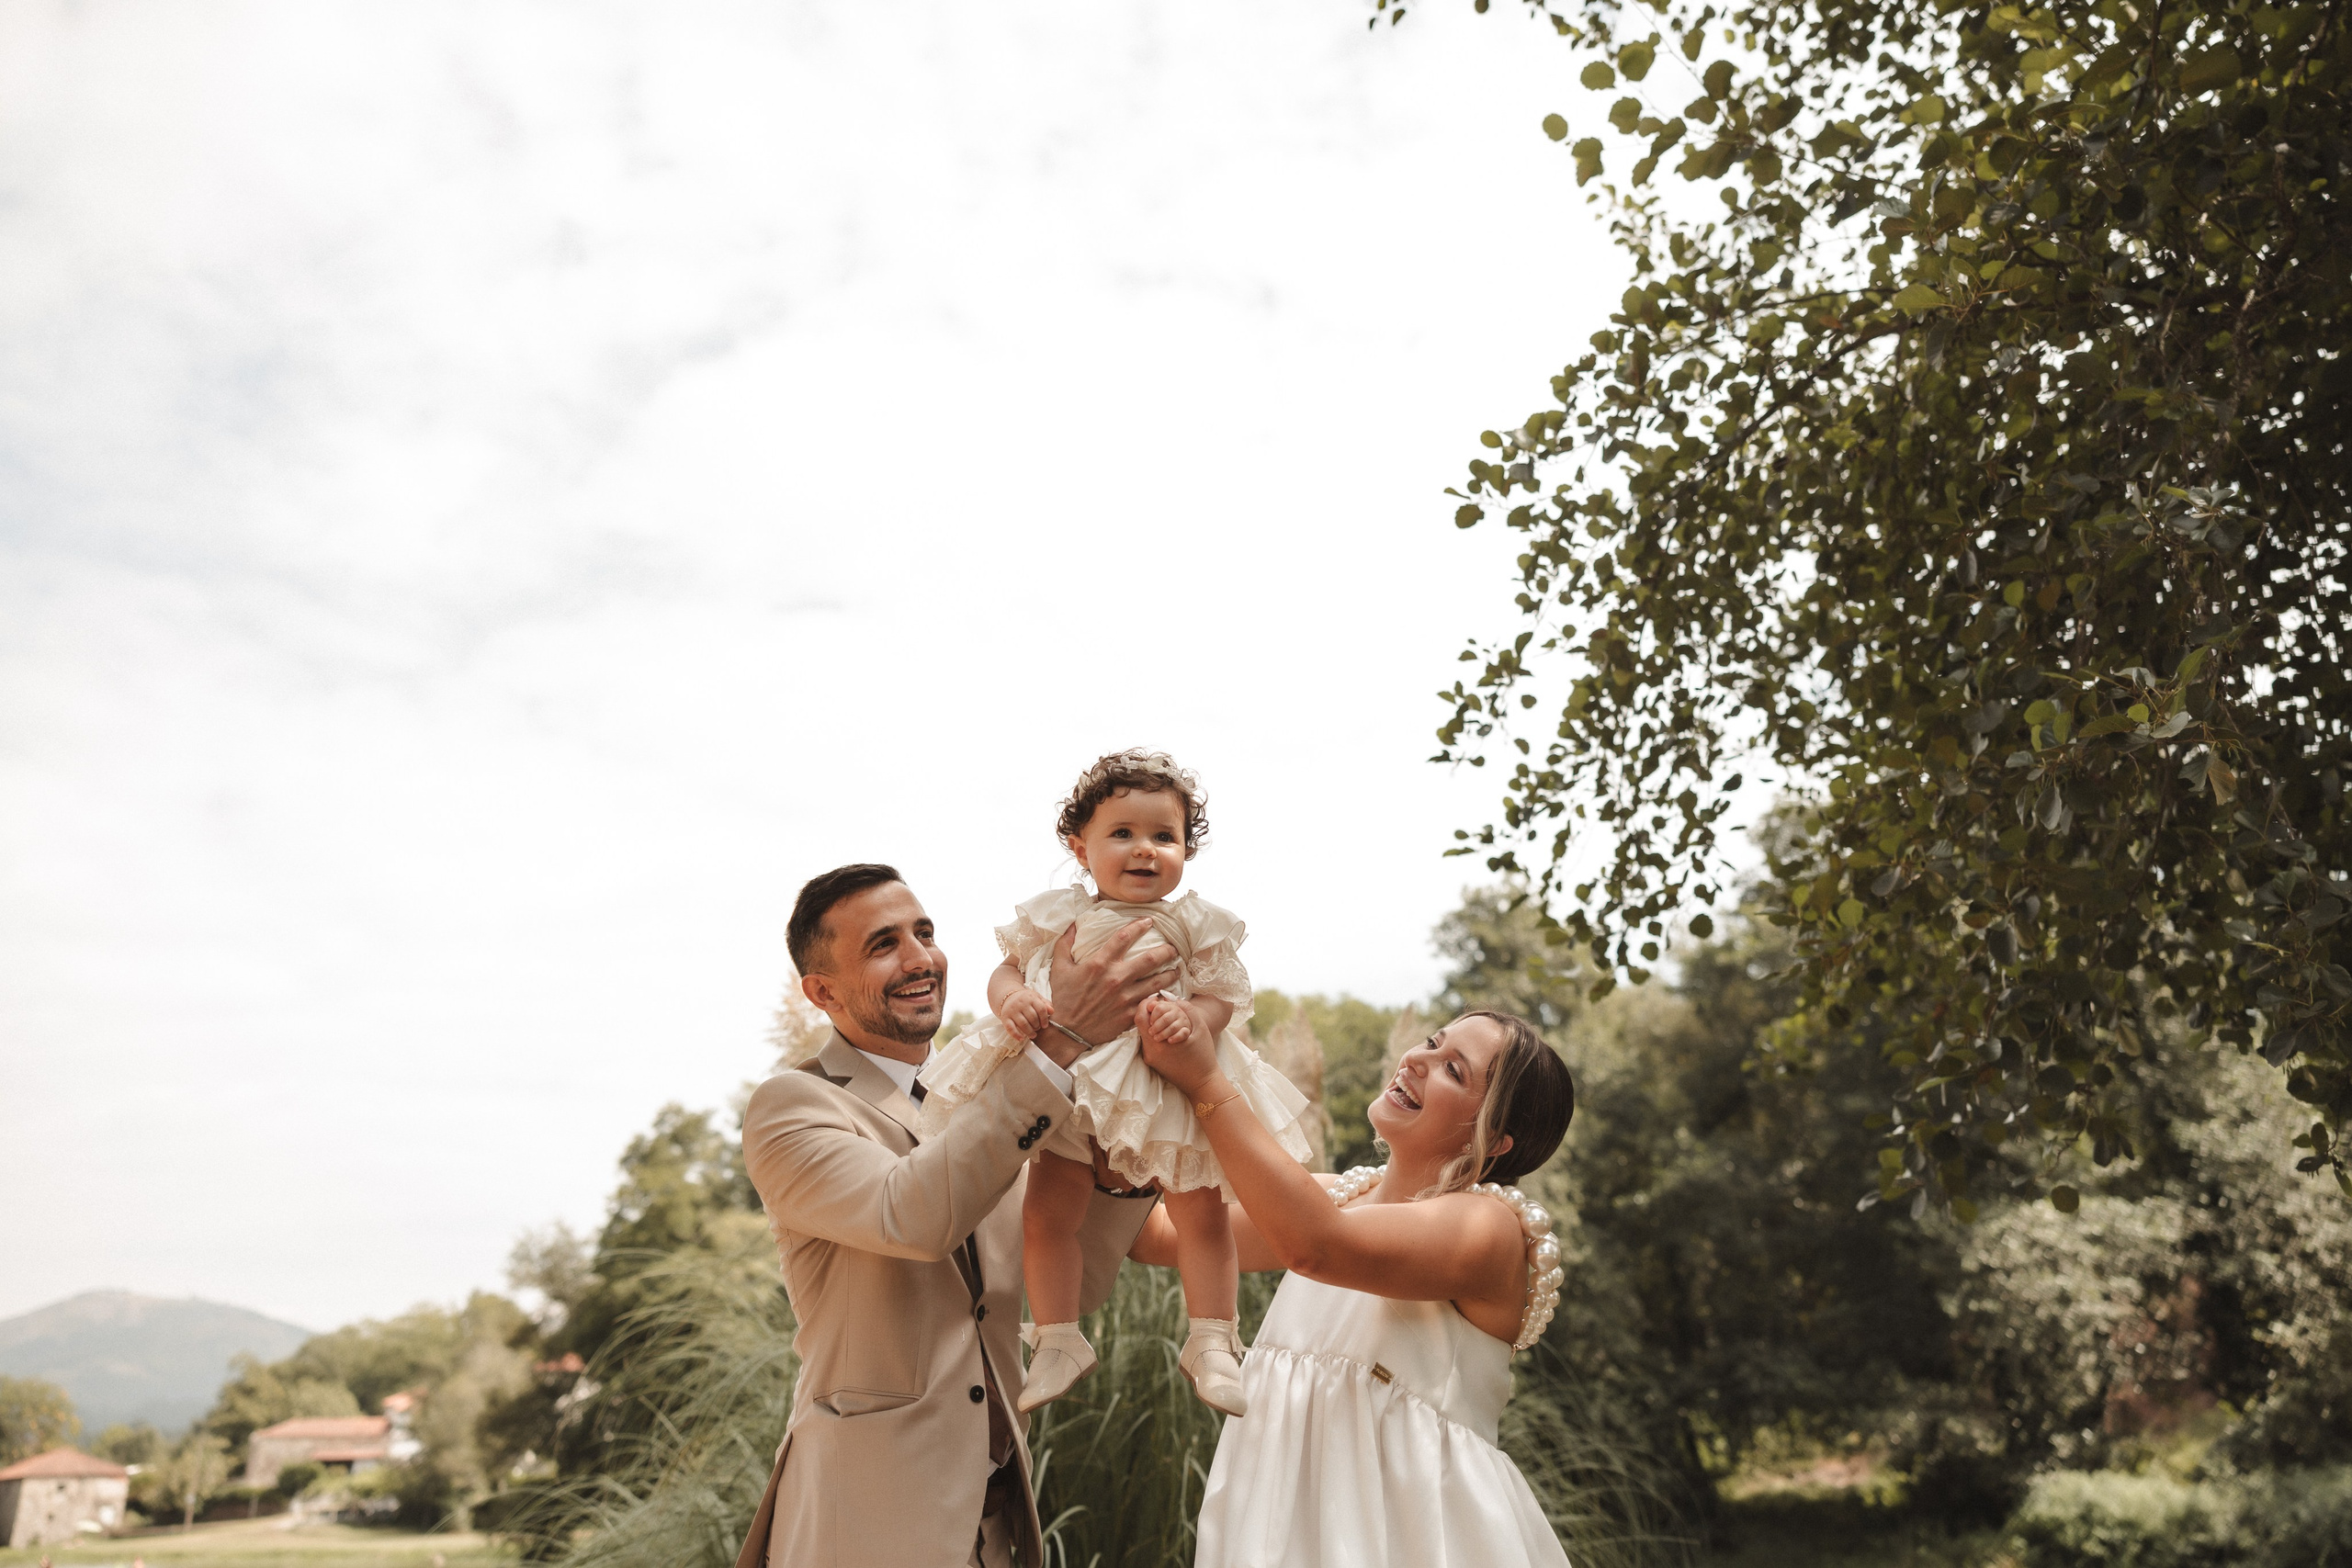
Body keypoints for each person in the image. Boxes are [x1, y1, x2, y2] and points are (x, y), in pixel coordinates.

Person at [734, 863, 1170, 1568]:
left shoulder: (993, 1094)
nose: (920, 958)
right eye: (884, 944)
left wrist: (1126, 1159)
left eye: (925, 932)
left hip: (996, 1528)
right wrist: (1061, 1044)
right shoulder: (794, 1105)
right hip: (866, 1527)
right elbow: (911, 1213)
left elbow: (1072, 1282)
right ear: (821, 991)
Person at [917, 751, 1314, 1416]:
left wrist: (1197, 1016)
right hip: (1070, 1083)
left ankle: (1213, 1338)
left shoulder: (1193, 922)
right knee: (1048, 1214)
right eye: (1122, 833)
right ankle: (1057, 1336)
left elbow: (1223, 995)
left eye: (1165, 836)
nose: (1145, 850)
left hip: (1163, 1081)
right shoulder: (1057, 914)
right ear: (1081, 848)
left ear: (1187, 849)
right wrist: (1011, 996)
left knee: (1200, 1212)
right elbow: (1008, 969)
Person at [1136, 1009, 1578, 1568]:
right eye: (1431, 1043)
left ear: (1494, 1140)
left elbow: (1315, 1246)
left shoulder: (1487, 1228)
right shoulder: (1332, 1200)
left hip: (1411, 1531)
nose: (1416, 1061)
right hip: (1275, 1514)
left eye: (1453, 1071)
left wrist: (1203, 1082)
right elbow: (1153, 1237)